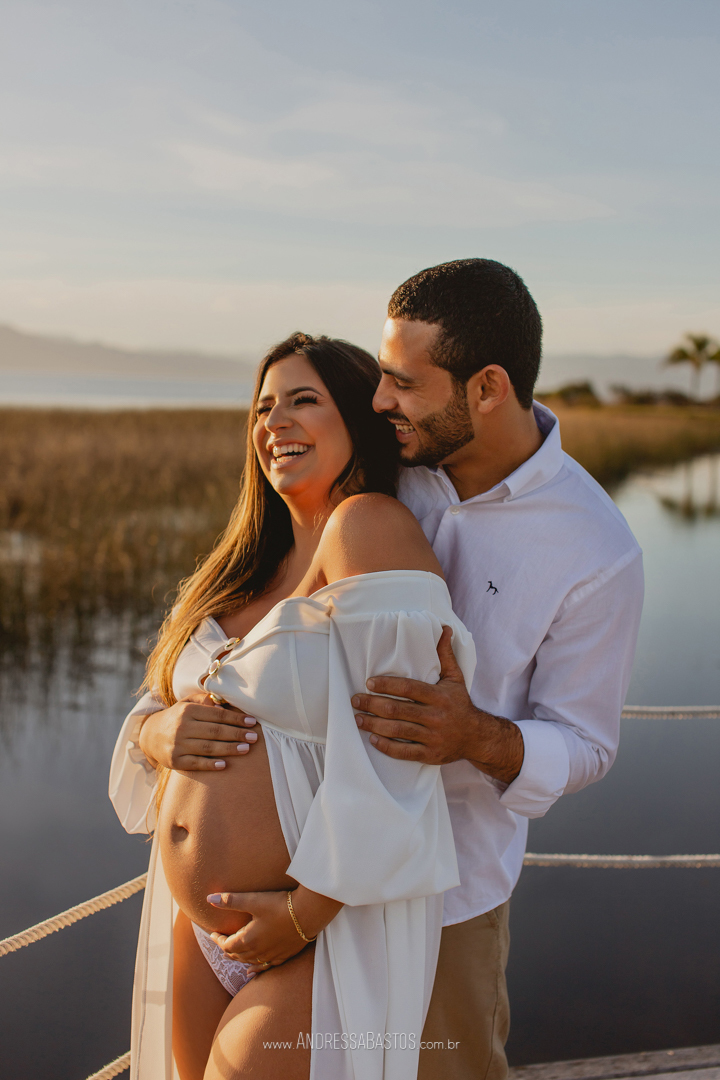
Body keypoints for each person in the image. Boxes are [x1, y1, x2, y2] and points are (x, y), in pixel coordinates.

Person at [135, 259, 644, 1080]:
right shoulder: (387, 470)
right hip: (250, 904)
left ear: (486, 388)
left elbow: (586, 742)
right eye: (378, 379)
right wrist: (159, 728)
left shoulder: (595, 551)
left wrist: (476, 735)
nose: (381, 402)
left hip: (439, 900)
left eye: (402, 384)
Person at [109, 332, 477, 1080]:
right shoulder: (240, 568)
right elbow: (155, 703)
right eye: (263, 406)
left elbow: (400, 754)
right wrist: (156, 733)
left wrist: (307, 911)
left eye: (304, 400)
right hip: (203, 930)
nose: (274, 420)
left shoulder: (368, 526)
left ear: (359, 417)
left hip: (322, 930)